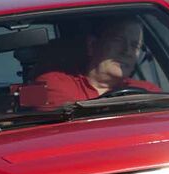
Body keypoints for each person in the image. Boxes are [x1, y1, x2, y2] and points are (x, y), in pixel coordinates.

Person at [30, 17, 159, 109]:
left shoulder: (148, 92)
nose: (127, 51)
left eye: (135, 45)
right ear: (92, 45)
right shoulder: (48, 82)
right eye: (118, 40)